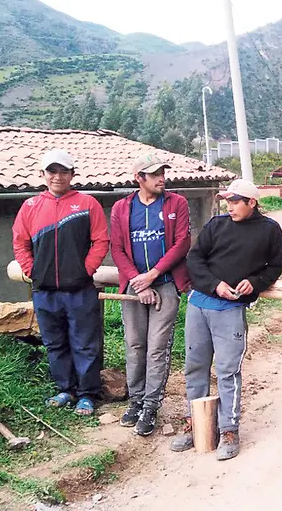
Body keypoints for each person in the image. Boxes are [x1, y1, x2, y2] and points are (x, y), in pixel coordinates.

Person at [171, 179, 282, 460]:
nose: (229, 206)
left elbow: (275, 266)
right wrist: (214, 285)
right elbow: (195, 259)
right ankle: (193, 421)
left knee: (227, 370)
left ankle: (229, 429)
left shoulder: (269, 230)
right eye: (227, 201)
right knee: (195, 366)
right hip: (200, 304)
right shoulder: (216, 225)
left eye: (235, 201)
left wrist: (254, 282)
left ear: (252, 203)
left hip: (231, 310)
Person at [12, 149, 110, 416]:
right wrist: (33, 271)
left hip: (79, 289)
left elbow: (101, 240)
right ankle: (65, 389)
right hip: (44, 291)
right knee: (55, 343)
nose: (57, 176)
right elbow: (20, 243)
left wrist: (85, 269)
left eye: (63, 171)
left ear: (72, 175)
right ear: (42, 174)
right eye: (52, 171)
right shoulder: (30, 207)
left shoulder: (88, 204)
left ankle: (87, 394)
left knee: (85, 343)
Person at [109, 154, 191, 436]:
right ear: (139, 179)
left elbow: (182, 243)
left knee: (157, 346)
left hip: (166, 282)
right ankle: (135, 400)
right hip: (134, 286)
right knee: (134, 345)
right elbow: (117, 249)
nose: (161, 178)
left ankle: (151, 406)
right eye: (154, 174)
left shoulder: (176, 204)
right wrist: (137, 282)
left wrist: (153, 275)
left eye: (162, 172)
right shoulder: (122, 208)